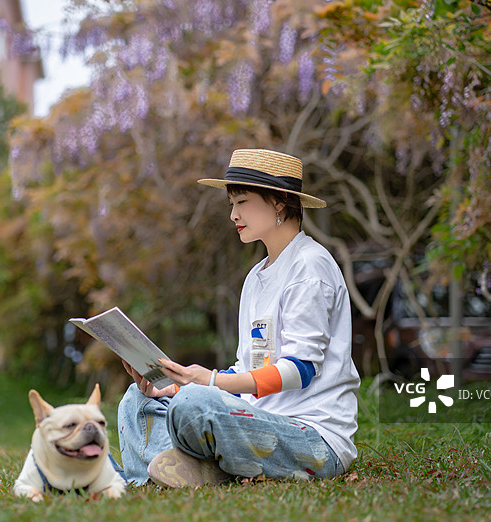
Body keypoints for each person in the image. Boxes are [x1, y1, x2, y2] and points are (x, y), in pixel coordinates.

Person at [117, 148, 360, 488]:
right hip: (256, 420)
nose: (233, 215)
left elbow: (300, 370)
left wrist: (211, 382)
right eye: (232, 204)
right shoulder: (256, 277)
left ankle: (177, 471)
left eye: (242, 202)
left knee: (194, 403)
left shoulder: (309, 266)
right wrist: (178, 383)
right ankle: (162, 476)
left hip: (313, 439)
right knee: (138, 399)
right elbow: (250, 369)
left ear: (279, 202)